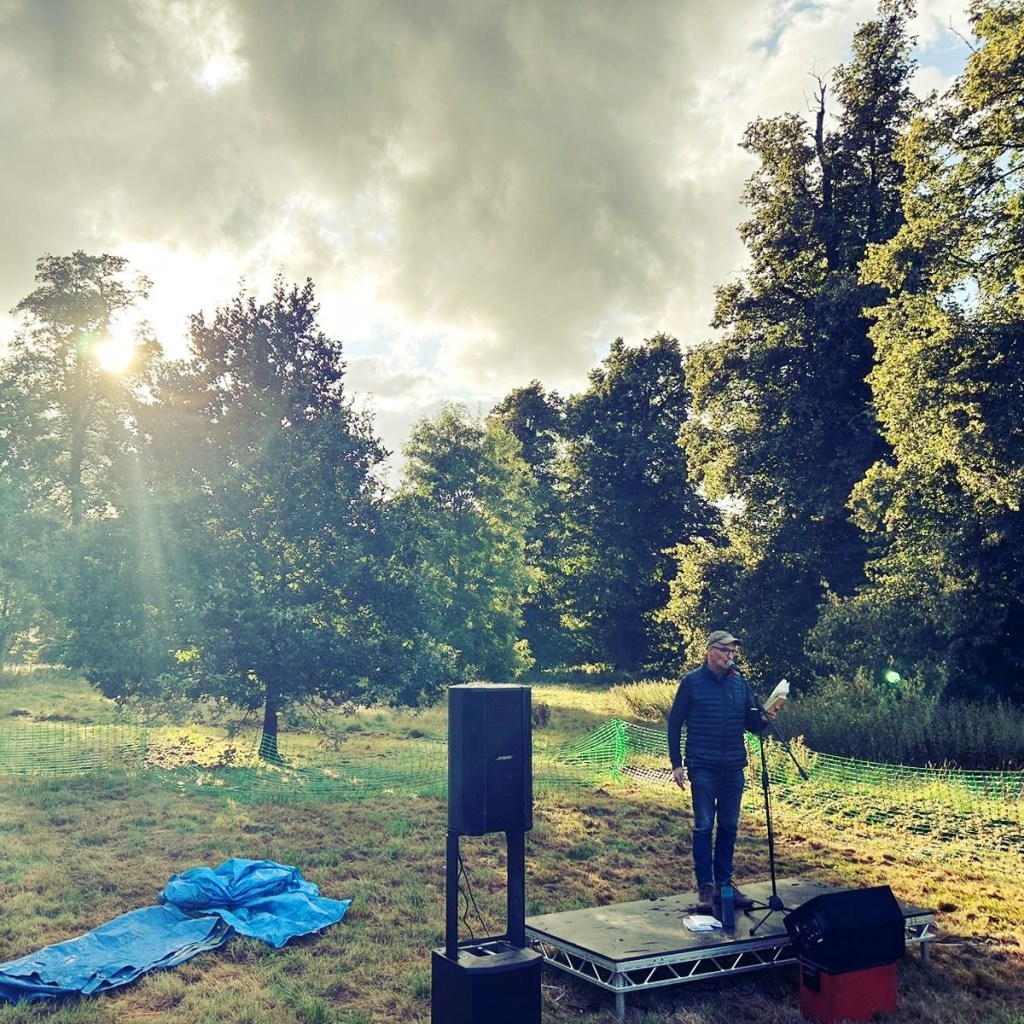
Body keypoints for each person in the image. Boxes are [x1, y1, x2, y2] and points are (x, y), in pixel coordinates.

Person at [667, 629, 777, 913]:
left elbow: (751, 725)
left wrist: (765, 717)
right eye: (726, 651)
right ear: (710, 651)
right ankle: (705, 887)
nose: (730, 656)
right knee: (703, 827)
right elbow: (674, 722)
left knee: (729, 827)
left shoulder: (739, 683)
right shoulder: (691, 682)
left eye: (733, 652)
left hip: (733, 767)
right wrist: (676, 763)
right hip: (703, 765)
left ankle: (724, 885)